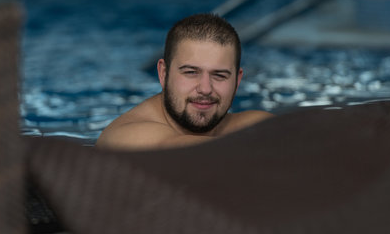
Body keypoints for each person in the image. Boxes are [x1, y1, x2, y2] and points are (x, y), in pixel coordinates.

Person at [95, 13, 273, 150]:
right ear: (163, 73)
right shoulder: (126, 137)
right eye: (191, 72)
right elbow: (184, 153)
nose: (205, 89)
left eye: (219, 75)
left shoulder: (252, 125)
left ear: (237, 80)